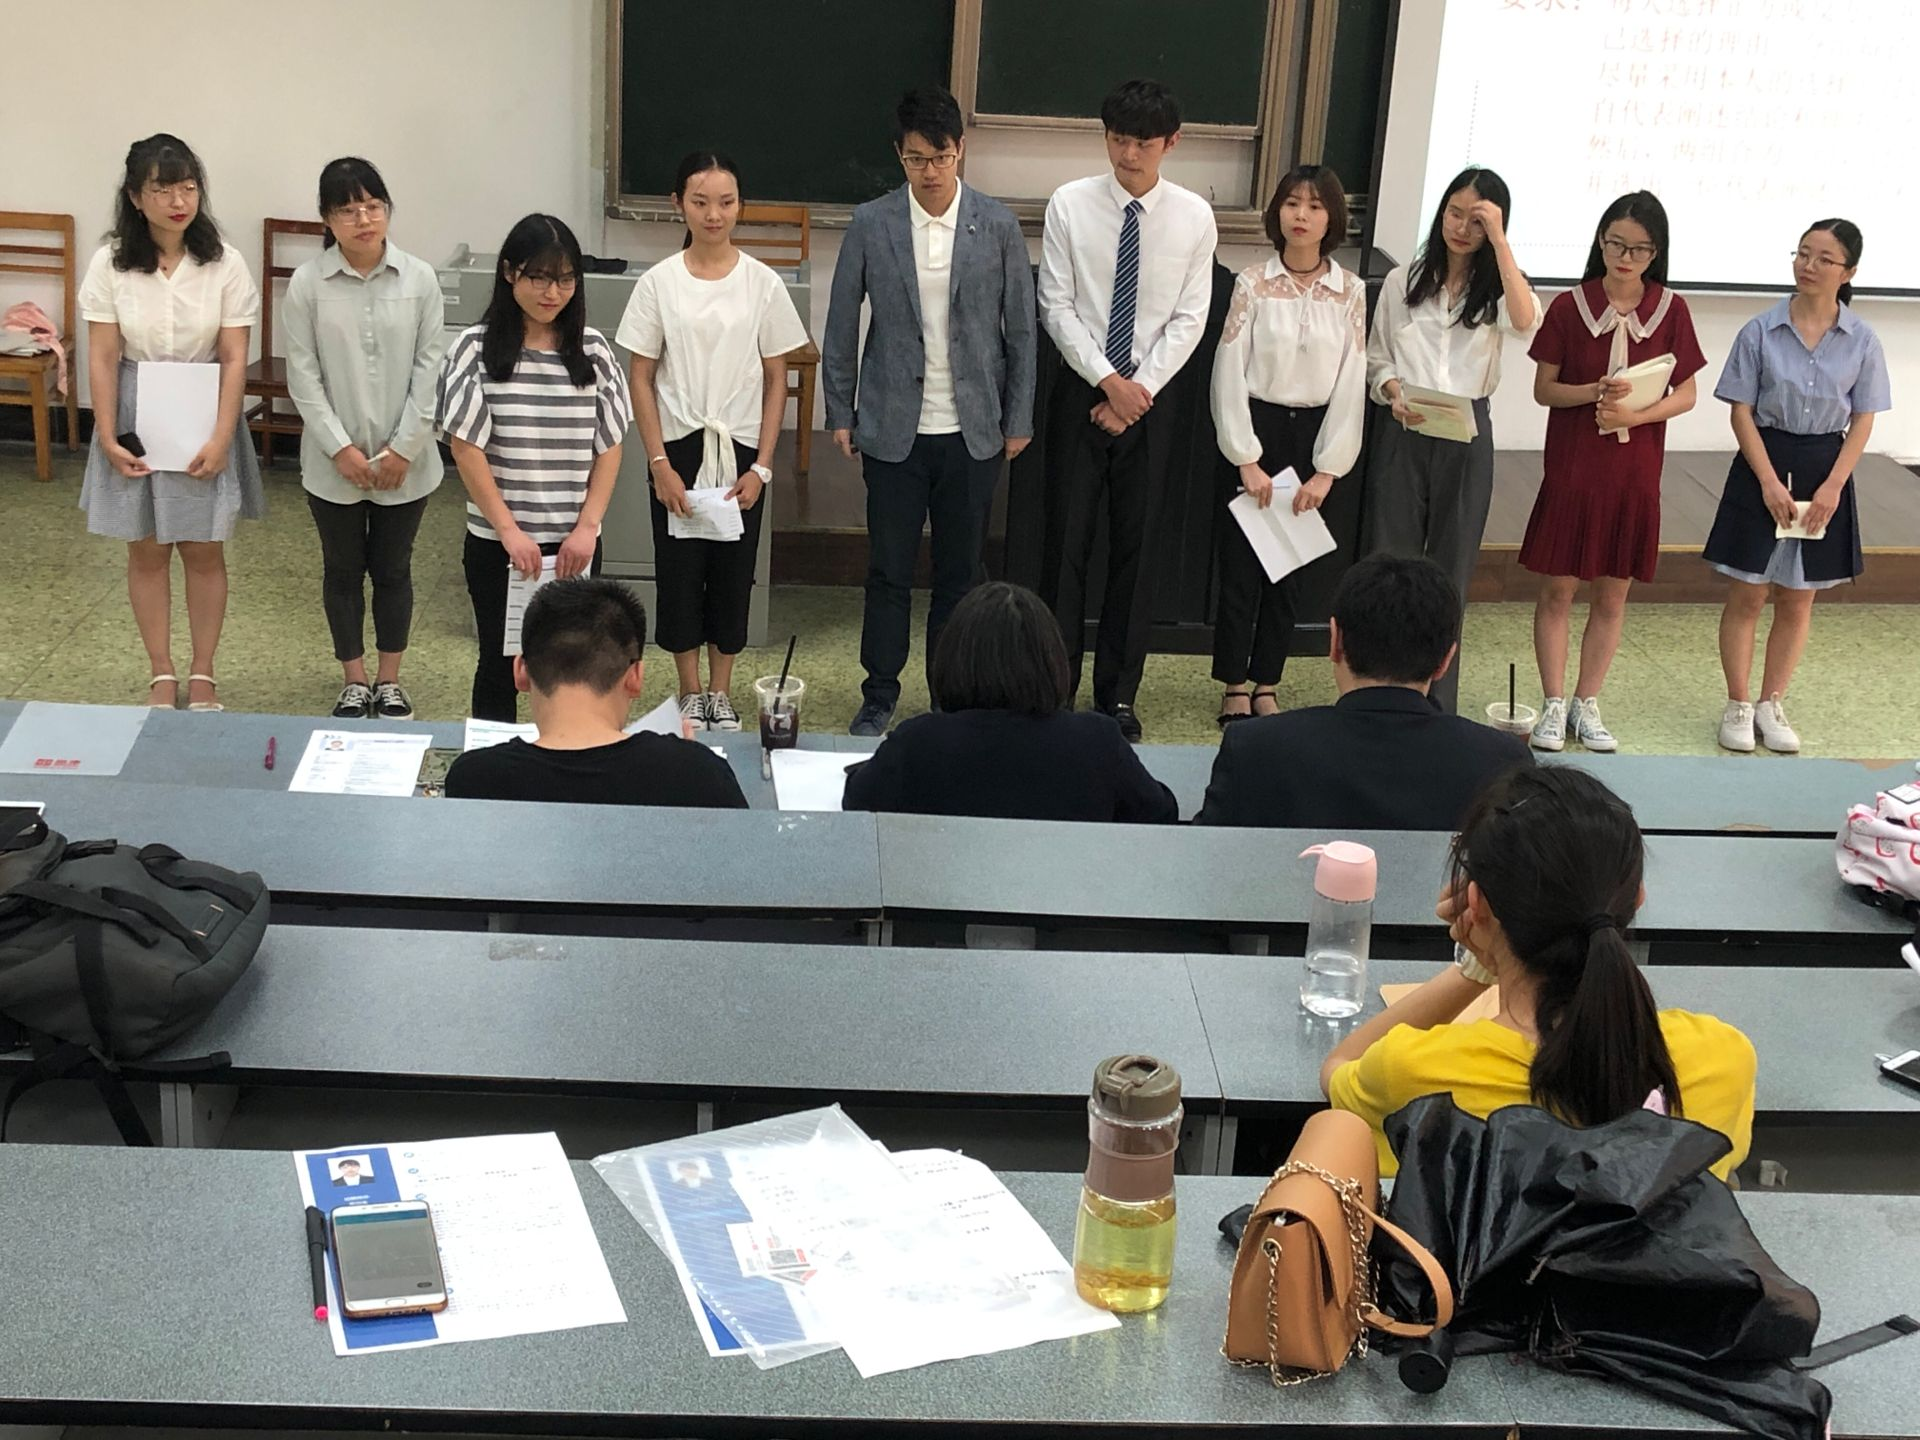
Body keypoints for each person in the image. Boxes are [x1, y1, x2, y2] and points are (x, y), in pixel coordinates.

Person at [1320, 765, 1757, 1182]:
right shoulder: (1723, 1058)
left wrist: (1476, 968)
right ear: (1637, 898)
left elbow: (1339, 1070)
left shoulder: (1417, 1073)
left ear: (1476, 904)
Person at [824, 85, 1038, 737]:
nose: (930, 171)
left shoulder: (996, 224)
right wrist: (840, 409)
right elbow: (841, 320)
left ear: (960, 151)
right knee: (888, 570)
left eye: (941, 157)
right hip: (893, 428)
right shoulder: (872, 222)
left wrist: (1018, 417)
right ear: (900, 155)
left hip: (973, 430)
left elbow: (1021, 330)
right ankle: (879, 692)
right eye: (917, 158)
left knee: (959, 574)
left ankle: (951, 695)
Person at [1037, 78, 1217, 742]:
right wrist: (1108, 381)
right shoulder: (1069, 204)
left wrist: (1136, 392)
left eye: (1142, 143)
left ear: (1172, 142)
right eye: (1117, 139)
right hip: (1081, 392)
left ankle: (1118, 696)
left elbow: (1191, 317)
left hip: (1153, 403)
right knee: (1065, 548)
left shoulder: (1194, 216)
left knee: (1136, 557)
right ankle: (1055, 689)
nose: (1128, 154)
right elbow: (1055, 303)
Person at [618, 152, 807, 733]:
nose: (714, 214)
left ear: (739, 205)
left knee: (733, 571)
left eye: (726, 202)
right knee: (679, 571)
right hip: (677, 446)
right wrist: (657, 462)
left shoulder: (762, 282)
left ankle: (721, 691)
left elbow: (776, 377)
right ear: (679, 204)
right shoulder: (659, 282)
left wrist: (764, 466)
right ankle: (689, 689)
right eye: (700, 202)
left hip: (742, 448)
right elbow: (641, 375)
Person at [78, 133, 264, 713]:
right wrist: (106, 434)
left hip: (204, 403)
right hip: (135, 405)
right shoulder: (110, 262)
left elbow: (234, 355)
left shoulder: (224, 261)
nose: (178, 201)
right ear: (136, 197)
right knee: (147, 549)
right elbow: (103, 355)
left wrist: (222, 435)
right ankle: (161, 670)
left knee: (204, 549)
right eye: (162, 190)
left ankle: (203, 671)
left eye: (188, 187)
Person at [1522, 192, 1704, 754]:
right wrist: (1594, 393)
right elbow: (1544, 389)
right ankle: (1553, 702)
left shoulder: (1671, 310)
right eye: (1617, 245)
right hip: (1574, 467)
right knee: (1558, 588)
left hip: (1634, 472)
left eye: (1640, 249)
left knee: (1613, 594)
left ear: (1656, 253)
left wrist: (1636, 415)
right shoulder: (1569, 306)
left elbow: (1688, 394)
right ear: (1600, 242)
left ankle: (1587, 701)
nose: (1627, 258)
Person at [1703, 219, 1891, 755]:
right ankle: (1738, 703)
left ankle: (1771, 702)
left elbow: (1863, 418)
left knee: (1798, 598)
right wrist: (1766, 481)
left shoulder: (1862, 339)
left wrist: (1834, 485)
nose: (1808, 266)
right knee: (1748, 592)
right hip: (1764, 459)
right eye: (1803, 254)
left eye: (1823, 259)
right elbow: (1740, 411)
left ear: (1848, 272)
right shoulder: (1759, 331)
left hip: (1823, 466)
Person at [437, 215, 632, 722]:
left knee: (576, 667)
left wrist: (588, 527)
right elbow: (466, 448)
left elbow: (610, 446)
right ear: (509, 273)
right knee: (499, 665)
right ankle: (495, 761)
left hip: (574, 545)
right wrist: (508, 532)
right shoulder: (474, 349)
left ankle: (568, 753)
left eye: (566, 279)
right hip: (501, 544)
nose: (553, 292)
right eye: (539, 277)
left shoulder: (593, 350)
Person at [1363, 166, 1539, 714]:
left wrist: (1501, 243)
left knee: (1450, 573)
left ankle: (1436, 702)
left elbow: (1526, 322)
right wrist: (1393, 392)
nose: (1462, 228)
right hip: (1406, 426)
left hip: (1467, 434)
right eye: (1454, 214)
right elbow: (1377, 357)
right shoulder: (1404, 280)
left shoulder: (1500, 286)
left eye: (1477, 221)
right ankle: (1380, 694)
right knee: (1390, 567)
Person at [283, 157, 446, 721]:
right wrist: (341, 449)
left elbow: (431, 369)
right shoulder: (308, 284)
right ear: (327, 218)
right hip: (334, 464)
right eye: (348, 210)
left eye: (373, 206)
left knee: (394, 570)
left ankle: (389, 679)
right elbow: (302, 375)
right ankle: (354, 681)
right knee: (343, 570)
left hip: (408, 462)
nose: (364, 219)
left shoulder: (420, 279)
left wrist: (404, 448)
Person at [1194, 556, 1529, 830]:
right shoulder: (1503, 762)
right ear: (1446, 660)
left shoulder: (1253, 748)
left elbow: (1203, 858)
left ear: (1335, 641)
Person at [1208, 164, 1366, 727]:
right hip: (1256, 430)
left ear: (1332, 218)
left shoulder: (1350, 291)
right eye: (1293, 203)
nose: (1302, 215)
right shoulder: (1252, 284)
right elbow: (1229, 368)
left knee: (1290, 571)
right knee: (1241, 567)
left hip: (1314, 438)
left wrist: (1327, 470)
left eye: (1316, 206)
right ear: (1278, 212)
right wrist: (1245, 458)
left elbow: (1352, 379)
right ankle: (1234, 681)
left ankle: (1267, 681)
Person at [842, 581, 1177, 823]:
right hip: (1072, 895)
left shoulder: (918, 740)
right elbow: (1161, 812)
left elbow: (856, 798)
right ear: (1051, 660)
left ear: (953, 658)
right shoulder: (1097, 738)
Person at [444, 577, 748, 808]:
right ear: (635, 677)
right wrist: (686, 761)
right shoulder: (699, 774)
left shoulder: (473, 779)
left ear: (520, 672)